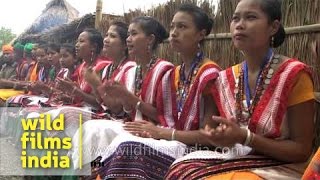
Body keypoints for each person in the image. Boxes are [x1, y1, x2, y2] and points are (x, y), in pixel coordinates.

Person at [165, 0, 315, 179]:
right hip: (238, 158)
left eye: (250, 17)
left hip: (284, 166)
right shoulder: (225, 78)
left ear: (273, 27)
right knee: (180, 167)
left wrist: (246, 138)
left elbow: (302, 150)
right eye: (235, 19)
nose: (240, 25)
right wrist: (216, 135)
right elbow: (210, 129)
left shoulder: (294, 74)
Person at [84, 4, 220, 179]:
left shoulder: (208, 73)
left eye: (182, 27)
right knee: (107, 142)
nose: (174, 32)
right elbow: (164, 117)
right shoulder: (177, 72)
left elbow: (208, 136)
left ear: (201, 34)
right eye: (172, 27)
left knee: (126, 147)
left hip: (195, 148)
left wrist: (161, 132)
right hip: (170, 138)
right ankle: (91, 172)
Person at [70, 16, 174, 178]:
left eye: (133, 34)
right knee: (92, 131)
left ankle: (93, 172)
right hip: (133, 125)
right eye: (128, 35)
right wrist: (118, 95)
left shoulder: (164, 69)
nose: (128, 39)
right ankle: (87, 172)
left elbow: (163, 116)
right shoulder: (135, 71)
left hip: (154, 131)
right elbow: (122, 109)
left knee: (101, 134)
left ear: (150, 40)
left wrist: (107, 89)